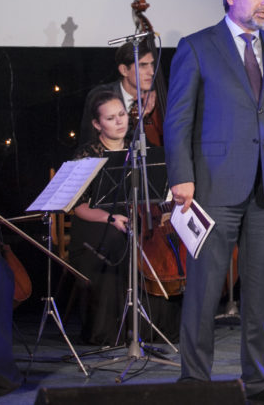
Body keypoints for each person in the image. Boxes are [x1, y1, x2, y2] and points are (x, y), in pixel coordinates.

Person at [165, 0, 264, 405]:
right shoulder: (197, 46)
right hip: (213, 184)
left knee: (261, 291)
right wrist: (181, 176)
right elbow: (177, 120)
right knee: (205, 289)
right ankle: (195, 381)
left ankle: (260, 381)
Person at [69, 90, 132, 345]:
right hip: (95, 223)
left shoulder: (139, 148)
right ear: (97, 124)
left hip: (131, 218)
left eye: (122, 114)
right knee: (114, 240)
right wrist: (110, 218)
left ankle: (148, 326)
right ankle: (106, 329)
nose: (119, 122)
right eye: (110, 118)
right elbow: (79, 207)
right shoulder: (86, 154)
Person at [84, 41, 165, 146]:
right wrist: (137, 118)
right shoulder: (101, 95)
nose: (152, 72)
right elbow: (89, 141)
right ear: (124, 70)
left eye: (152, 65)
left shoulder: (156, 97)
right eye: (143, 65)